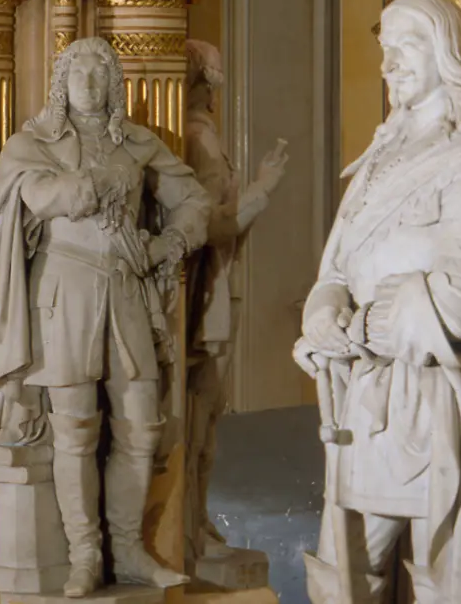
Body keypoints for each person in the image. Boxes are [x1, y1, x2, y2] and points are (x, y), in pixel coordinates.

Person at [296, 0, 461, 604]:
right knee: (346, 574)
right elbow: (337, 267)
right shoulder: (378, 161)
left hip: (441, 398)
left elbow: (455, 306)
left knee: (446, 579)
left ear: (445, 52)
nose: (388, 65)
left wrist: (354, 329)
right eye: (384, 52)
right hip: (364, 399)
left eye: (404, 48)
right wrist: (325, 309)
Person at [0, 37, 209, 597]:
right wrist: (75, 189)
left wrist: (169, 242)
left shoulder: (138, 144)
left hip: (126, 292)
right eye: (77, 69)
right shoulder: (34, 142)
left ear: (114, 83)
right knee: (75, 430)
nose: (89, 79)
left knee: (140, 425)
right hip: (64, 293)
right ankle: (85, 554)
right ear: (60, 81)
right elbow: (26, 195)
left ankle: (127, 549)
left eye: (101, 70)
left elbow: (195, 200)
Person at [178, 39, 287, 561]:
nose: (214, 90)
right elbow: (210, 226)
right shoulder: (196, 137)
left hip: (218, 286)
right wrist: (263, 188)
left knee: (208, 418)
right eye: (212, 79)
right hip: (205, 294)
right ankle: (188, 530)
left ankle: (196, 525)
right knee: (197, 416)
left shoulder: (205, 135)